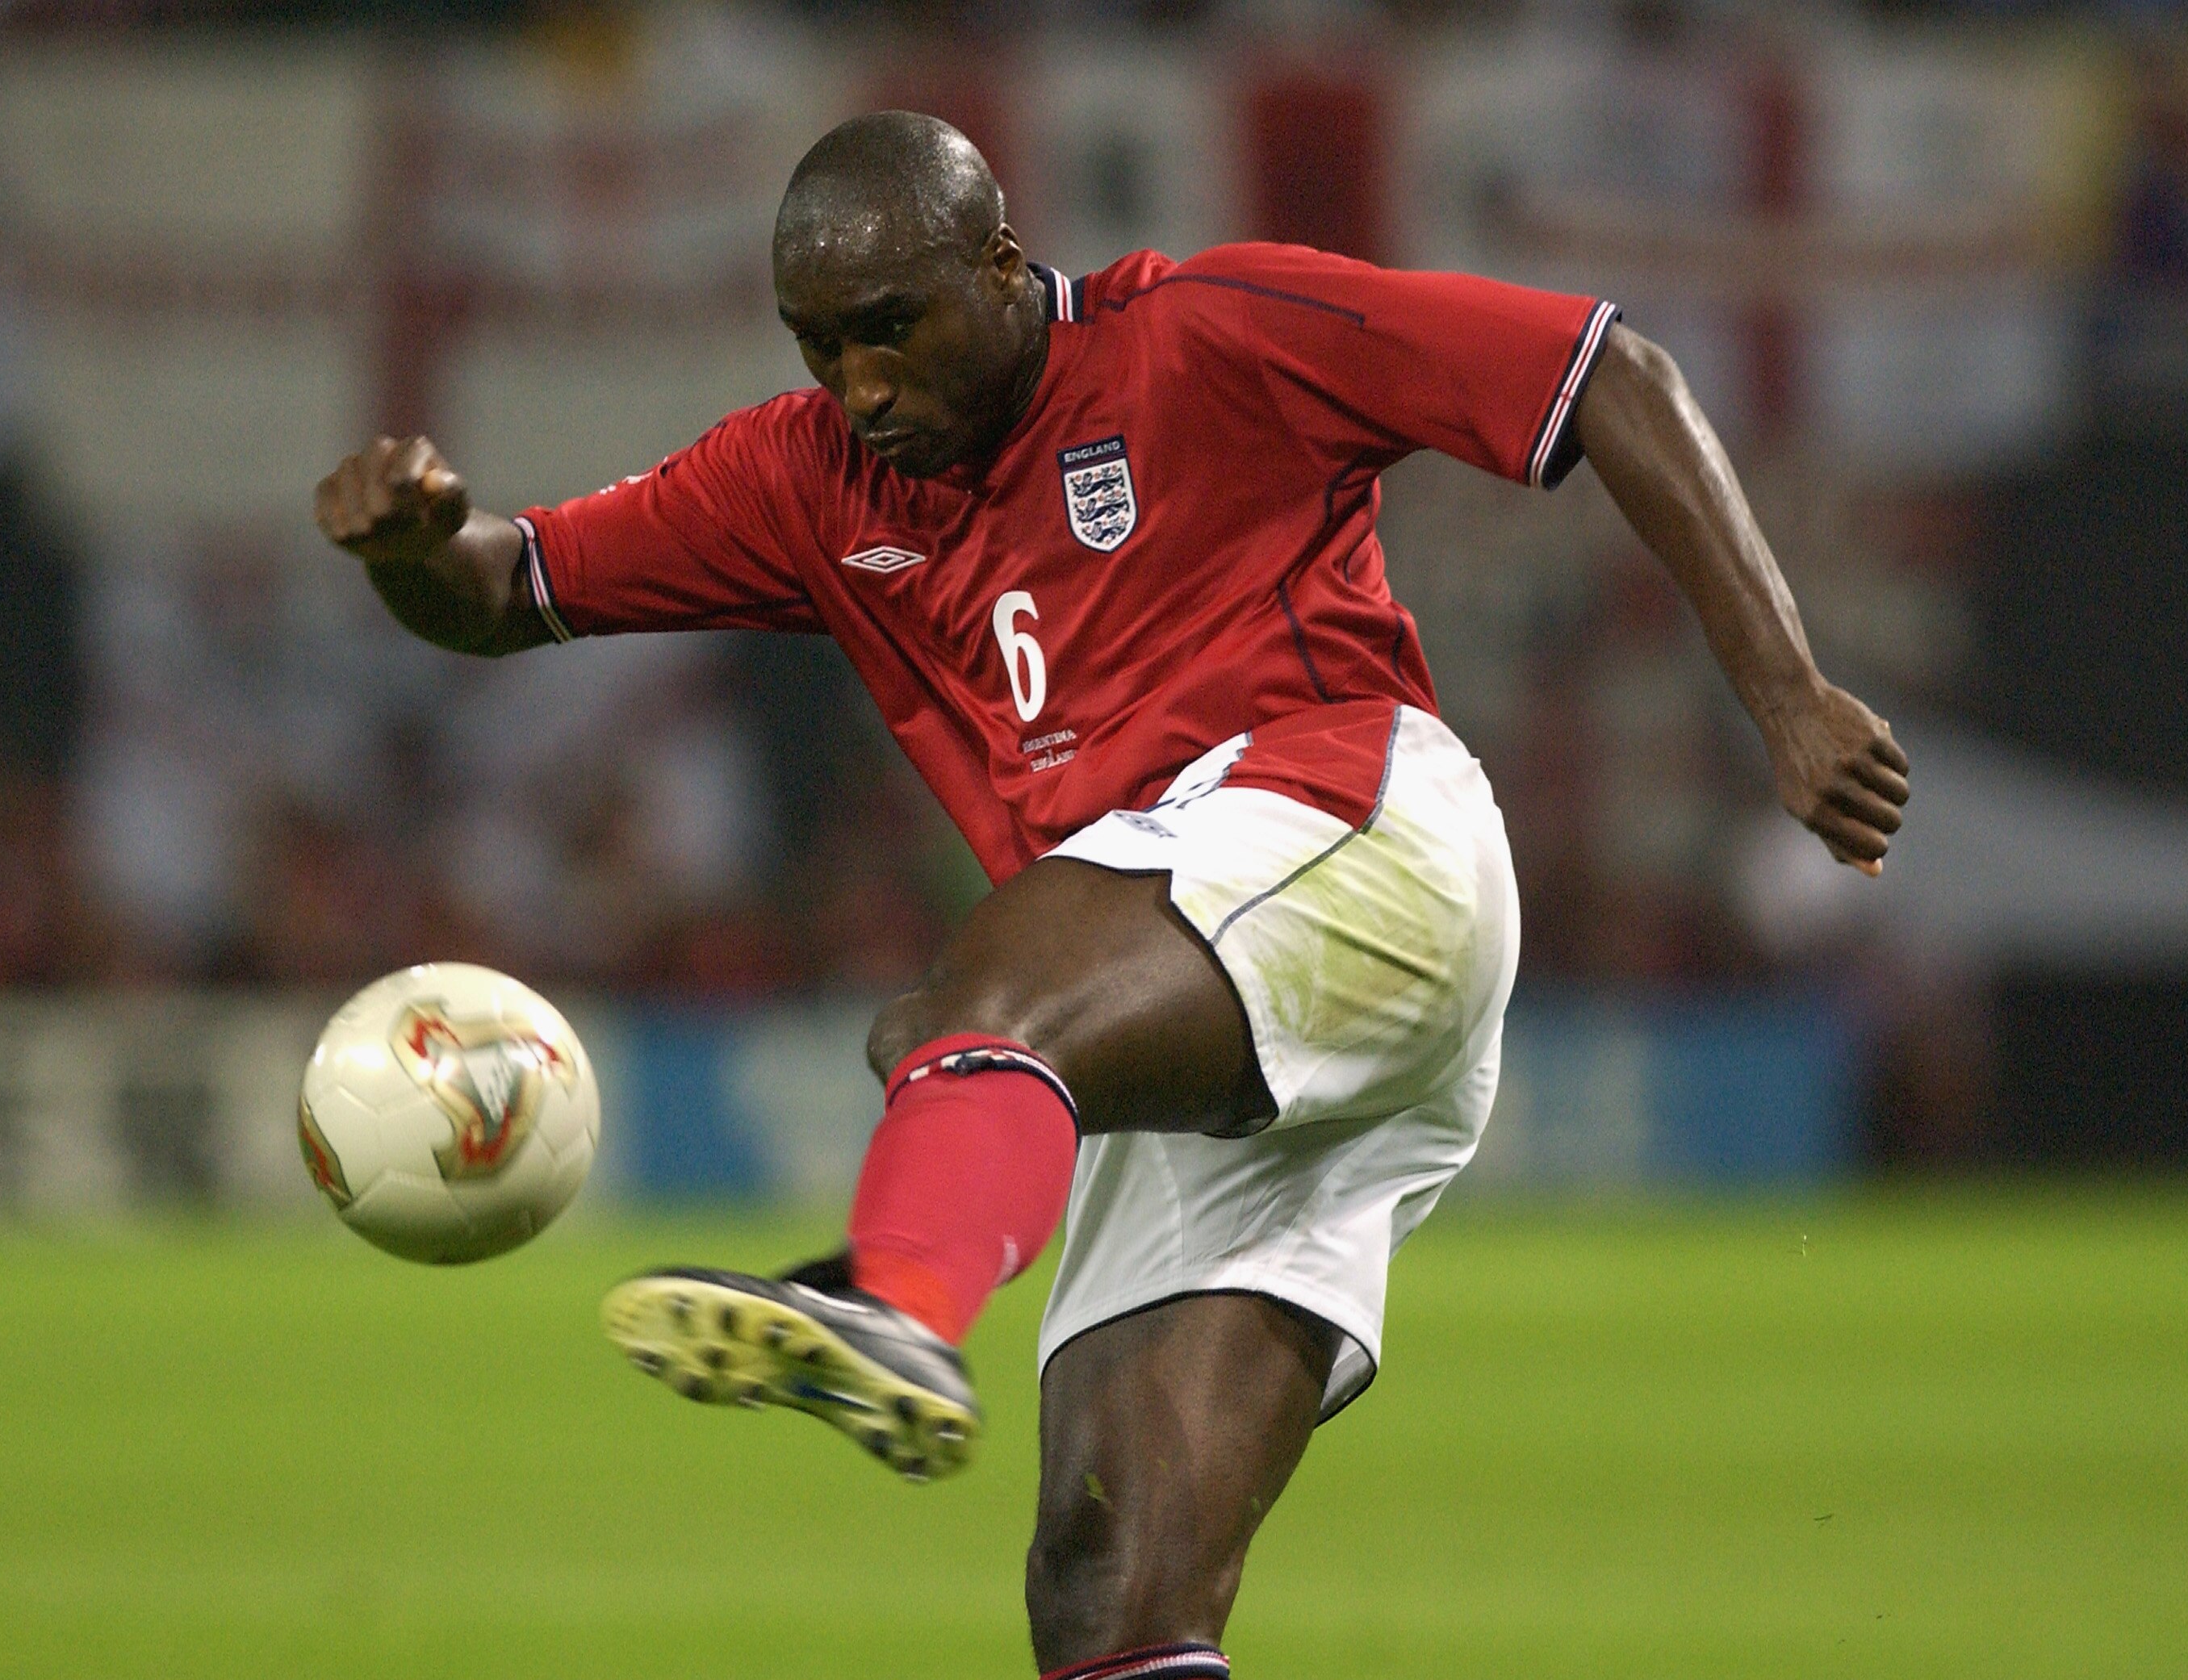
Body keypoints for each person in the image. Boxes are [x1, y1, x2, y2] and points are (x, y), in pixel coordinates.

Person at [315, 111, 1908, 1680]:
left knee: (968, 1018)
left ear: (1001, 263)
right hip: (1225, 1007)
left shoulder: (1209, 333)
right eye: (819, 344)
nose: (860, 385)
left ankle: (899, 1298)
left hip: (1349, 834)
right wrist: (411, 546)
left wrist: (1785, 697)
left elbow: (1605, 370)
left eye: (892, 328)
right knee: (1108, 1587)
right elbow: (510, 587)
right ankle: (912, 1280)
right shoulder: (805, 478)